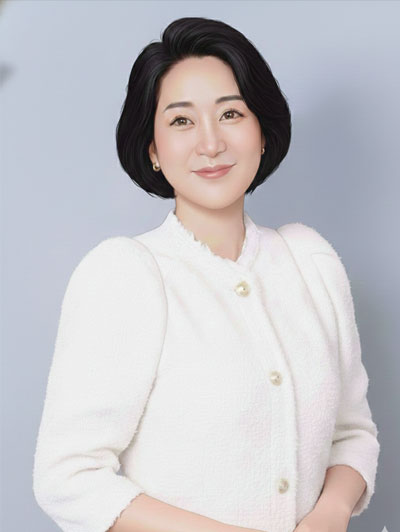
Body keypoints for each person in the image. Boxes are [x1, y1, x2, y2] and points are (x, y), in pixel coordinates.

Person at [32, 16, 380, 532]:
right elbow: (67, 477)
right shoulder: (127, 276)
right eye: (181, 121)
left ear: (262, 133)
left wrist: (330, 512)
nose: (211, 143)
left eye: (231, 113)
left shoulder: (311, 263)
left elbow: (352, 433)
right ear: (152, 149)